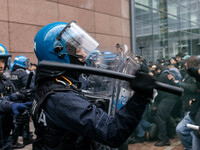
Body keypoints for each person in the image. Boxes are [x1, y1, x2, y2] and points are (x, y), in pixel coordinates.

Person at [31, 21, 157, 150]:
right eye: (78, 49)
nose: (85, 55)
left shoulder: (50, 86)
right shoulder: (61, 98)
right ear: (59, 52)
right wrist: (139, 98)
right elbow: (112, 132)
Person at [0, 43, 32, 149]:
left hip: (5, 133)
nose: (1, 65)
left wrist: (17, 98)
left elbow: (6, 99)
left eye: (3, 61)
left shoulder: (5, 81)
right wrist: (12, 103)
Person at [10, 55, 34, 148]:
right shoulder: (23, 73)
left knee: (15, 122)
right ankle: (19, 140)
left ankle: (17, 140)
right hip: (22, 100)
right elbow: (30, 87)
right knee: (23, 121)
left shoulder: (11, 72)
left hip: (12, 100)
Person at [175, 66, 200, 150]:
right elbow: (191, 70)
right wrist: (196, 100)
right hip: (195, 113)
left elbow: (192, 88)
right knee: (180, 129)